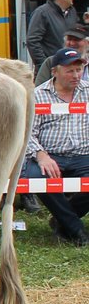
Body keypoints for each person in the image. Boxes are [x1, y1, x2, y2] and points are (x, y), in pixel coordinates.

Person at [23, 47, 89, 246]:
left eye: (79, 70)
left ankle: (63, 222)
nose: (76, 75)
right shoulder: (37, 95)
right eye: (70, 70)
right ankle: (77, 231)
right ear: (55, 72)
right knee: (37, 177)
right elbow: (27, 134)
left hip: (83, 154)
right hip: (50, 155)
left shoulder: (88, 91)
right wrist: (42, 155)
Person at [26, 0, 79, 68]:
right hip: (51, 72)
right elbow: (32, 41)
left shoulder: (72, 11)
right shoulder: (42, 13)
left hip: (70, 68)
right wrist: (45, 65)